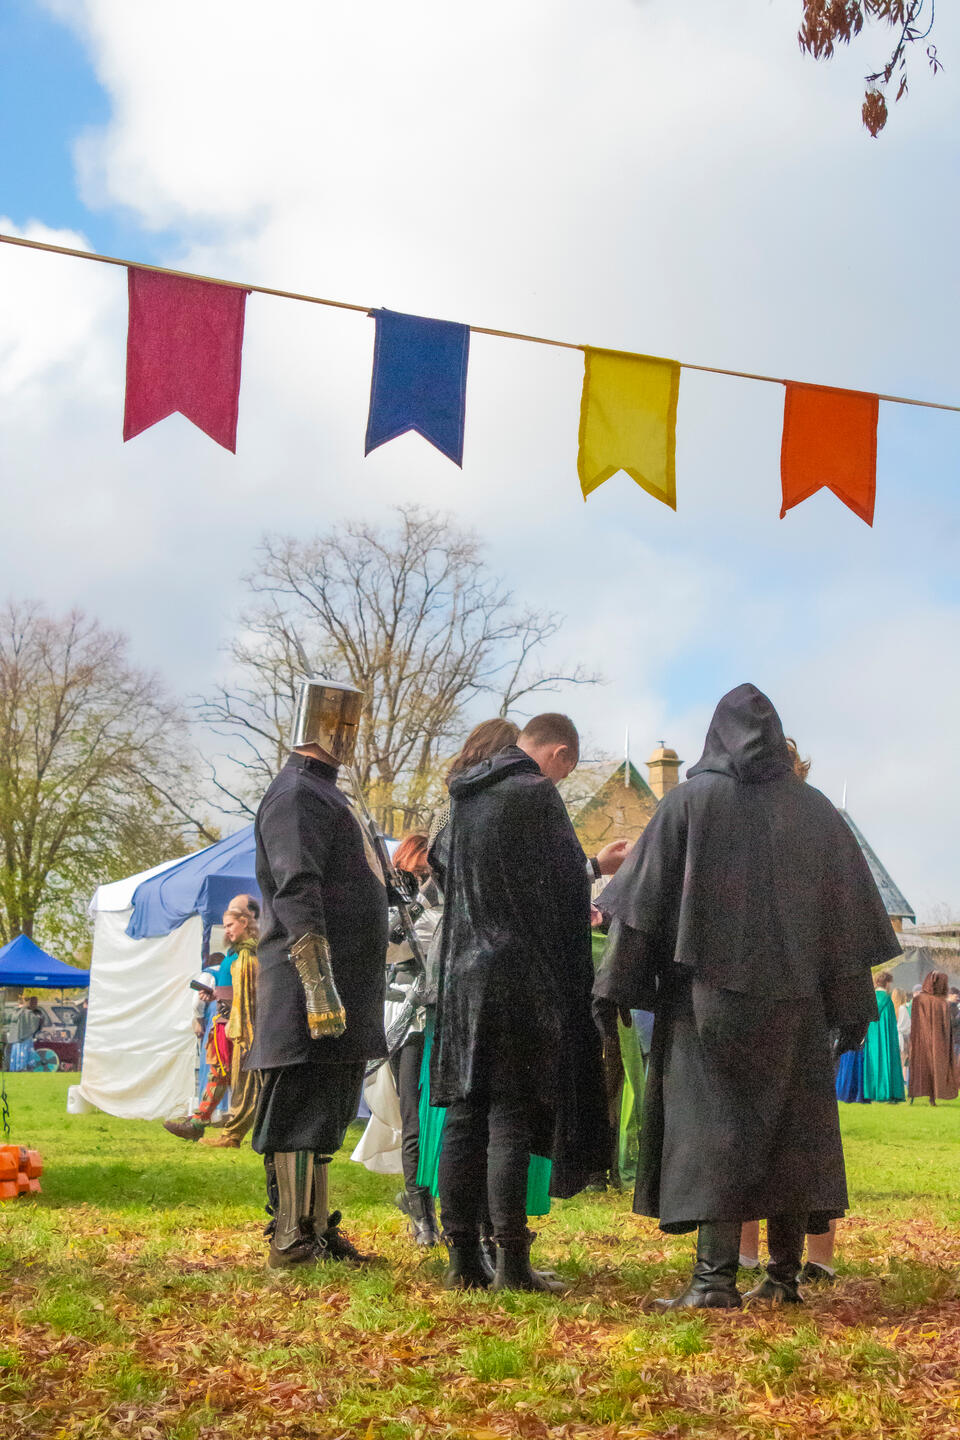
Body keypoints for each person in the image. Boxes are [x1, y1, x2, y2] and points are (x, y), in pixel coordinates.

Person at [594, 683, 902, 1309]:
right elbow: (847, 921)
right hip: (799, 1007)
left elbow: (640, 908)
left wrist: (614, 986)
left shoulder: (688, 803)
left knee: (714, 1130)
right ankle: (783, 1279)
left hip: (709, 1005)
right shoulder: (816, 810)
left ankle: (714, 1282)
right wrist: (852, 1004)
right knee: (793, 1132)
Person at [431, 712, 629, 1292]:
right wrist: (595, 872)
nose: (562, 780)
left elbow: (442, 868)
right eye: (566, 770)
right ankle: (512, 1264)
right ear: (559, 754)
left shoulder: (464, 794)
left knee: (465, 1113)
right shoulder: (534, 792)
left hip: (462, 974)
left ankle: (463, 1259)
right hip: (516, 974)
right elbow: (562, 884)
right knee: (511, 1115)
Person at [246, 678, 388, 1269]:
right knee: (298, 1108)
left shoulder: (330, 795)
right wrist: (318, 984)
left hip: (348, 979)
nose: (347, 732)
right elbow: (296, 886)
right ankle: (290, 1237)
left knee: (327, 1108)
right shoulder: (296, 794)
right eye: (340, 720)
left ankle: (317, 1229)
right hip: (311, 981)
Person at [165, 898, 260, 1144]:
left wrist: (236, 1022)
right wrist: (213, 995)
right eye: (225, 926)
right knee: (218, 1074)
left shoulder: (248, 955)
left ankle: (232, 1134)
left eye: (230, 925)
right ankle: (197, 1123)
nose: (227, 930)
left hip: (239, 1027)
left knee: (243, 1082)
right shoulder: (233, 954)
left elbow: (248, 995)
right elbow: (231, 989)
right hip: (224, 1022)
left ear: (245, 922)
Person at [908, 971, 959, 1105]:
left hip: (921, 1041)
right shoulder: (941, 1002)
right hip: (938, 1042)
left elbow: (915, 1023)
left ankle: (916, 1094)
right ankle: (933, 1096)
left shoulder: (918, 1000)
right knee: (936, 1067)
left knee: (922, 1065)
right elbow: (946, 1028)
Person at [862, 971, 905, 1103]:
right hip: (886, 1037)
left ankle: (873, 1092)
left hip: (871, 1036)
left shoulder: (869, 998)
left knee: (873, 1062)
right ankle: (886, 1092)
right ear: (886, 983)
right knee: (886, 1060)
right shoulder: (887, 1000)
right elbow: (890, 1023)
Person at [10, 996, 43, 1071]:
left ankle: (17, 1068)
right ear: (28, 1003)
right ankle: (23, 1068)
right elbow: (35, 1023)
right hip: (25, 1037)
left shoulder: (15, 1012)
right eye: (33, 1002)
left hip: (17, 1038)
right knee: (24, 1053)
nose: (35, 1004)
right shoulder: (27, 1012)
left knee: (17, 1053)